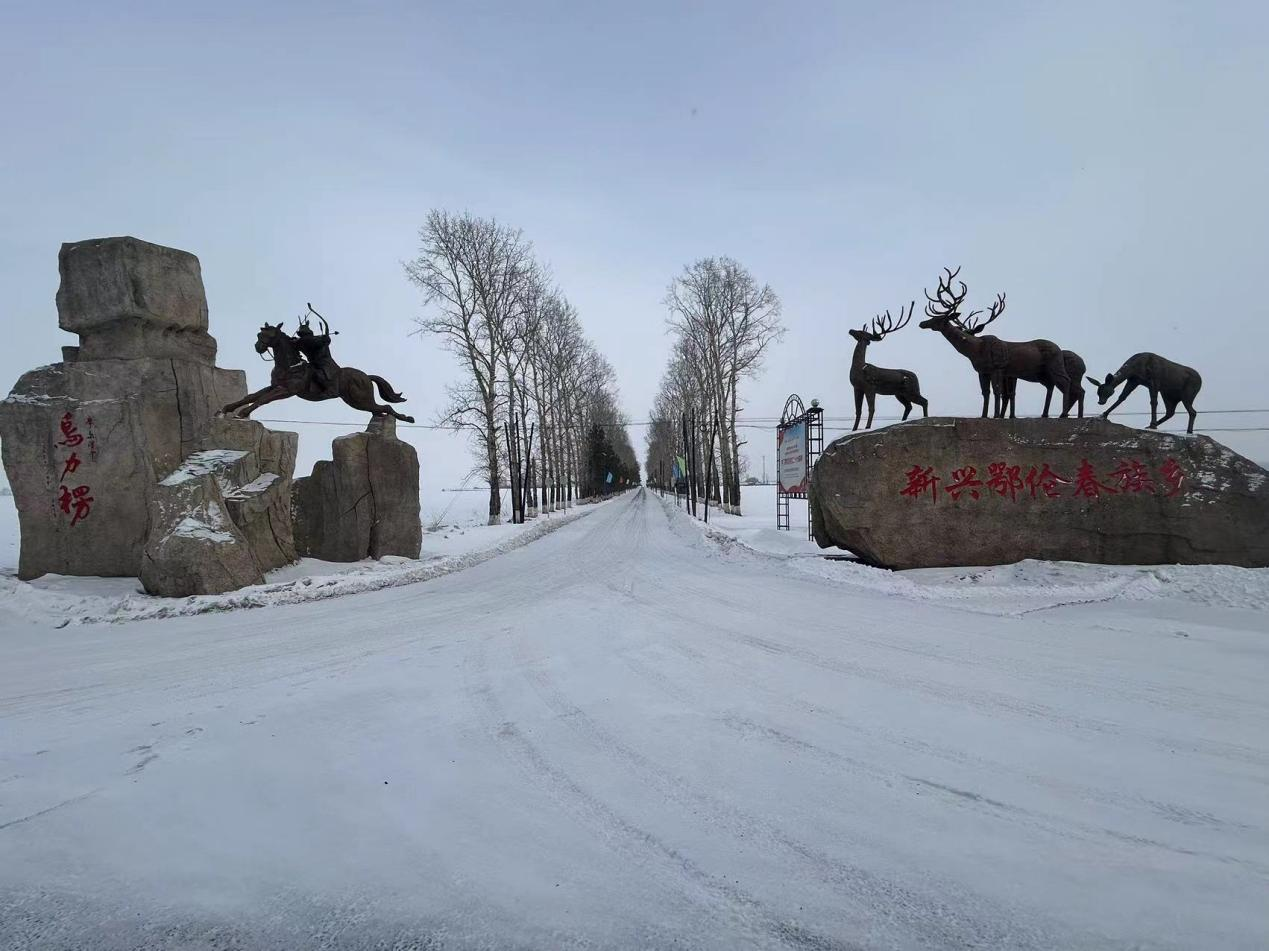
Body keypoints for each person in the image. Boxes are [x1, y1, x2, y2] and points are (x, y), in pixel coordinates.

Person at [294, 316, 341, 399]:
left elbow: (313, 342)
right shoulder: (304, 341)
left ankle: (331, 390)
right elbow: (297, 345)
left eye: (303, 334)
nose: (303, 336)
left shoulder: (315, 340)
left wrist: (325, 338)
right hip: (314, 363)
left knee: (317, 374)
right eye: (302, 334)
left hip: (324, 363)